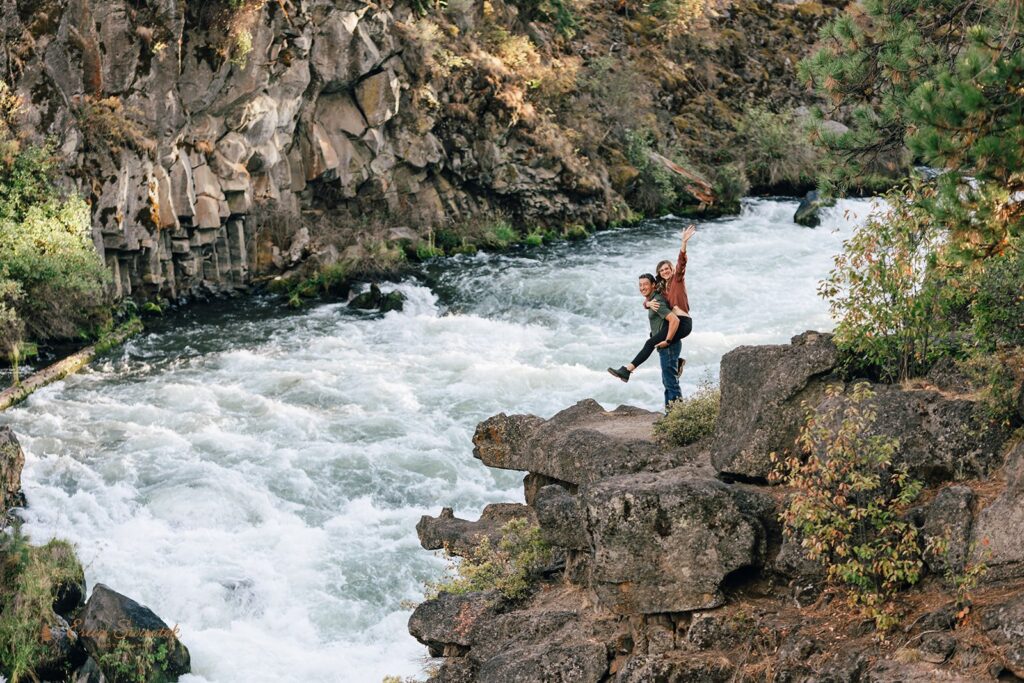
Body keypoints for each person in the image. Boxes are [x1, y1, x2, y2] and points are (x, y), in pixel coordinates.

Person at [607, 224, 696, 383]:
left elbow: (681, 263)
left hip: (683, 322)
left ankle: (627, 370)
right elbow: (652, 298)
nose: (665, 271)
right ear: (659, 274)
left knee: (651, 342)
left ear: (672, 269)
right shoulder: (663, 290)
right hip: (676, 323)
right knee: (653, 336)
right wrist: (646, 305)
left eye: (667, 268)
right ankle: (678, 362)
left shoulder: (677, 280)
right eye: (661, 270)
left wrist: (684, 243)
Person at [607, 273, 684, 410]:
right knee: (668, 381)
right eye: (640, 285)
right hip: (666, 344)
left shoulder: (657, 301)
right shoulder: (652, 300)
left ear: (653, 285)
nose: (642, 287)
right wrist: (647, 303)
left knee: (670, 382)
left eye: (645, 284)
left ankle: (678, 416)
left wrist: (668, 340)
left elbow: (674, 320)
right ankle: (670, 415)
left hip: (669, 345)